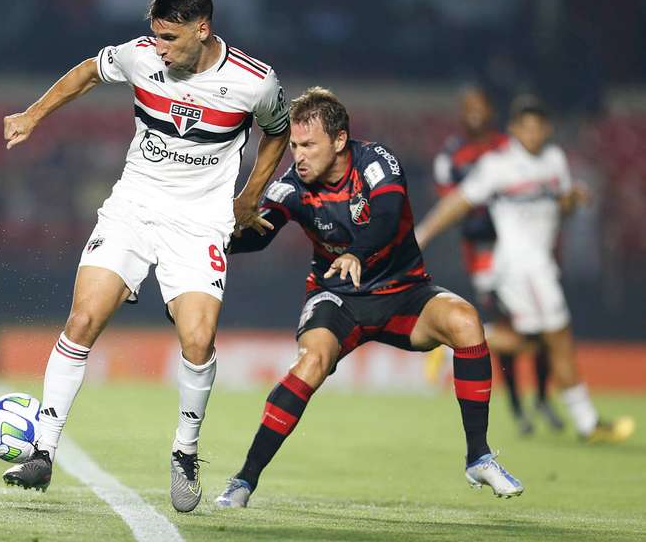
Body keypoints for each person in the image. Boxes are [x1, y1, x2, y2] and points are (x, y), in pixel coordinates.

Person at [0, 0, 291, 512]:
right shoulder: (139, 57)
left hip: (200, 222)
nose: (158, 47)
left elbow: (279, 129)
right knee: (83, 320)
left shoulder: (253, 81)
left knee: (198, 341)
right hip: (133, 208)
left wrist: (250, 196)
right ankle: (43, 451)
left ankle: (184, 451)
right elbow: (89, 71)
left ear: (202, 29)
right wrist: (32, 115)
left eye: (169, 38)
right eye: (155, 37)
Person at [214, 87, 522, 509]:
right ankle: (243, 481)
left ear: (339, 140)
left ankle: (478, 456)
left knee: (466, 320)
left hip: (404, 293)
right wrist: (217, 237)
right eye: (294, 146)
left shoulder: (378, 162)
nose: (297, 156)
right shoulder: (292, 186)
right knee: (312, 363)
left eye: (308, 145)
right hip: (337, 298)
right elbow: (259, 235)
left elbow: (387, 215)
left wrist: (358, 252)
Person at [415, 95, 634, 444]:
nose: (532, 133)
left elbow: (558, 207)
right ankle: (588, 424)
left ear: (546, 129)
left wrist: (572, 200)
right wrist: (423, 233)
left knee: (535, 343)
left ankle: (452, 345)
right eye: (525, 127)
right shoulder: (498, 166)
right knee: (559, 339)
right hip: (519, 266)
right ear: (514, 130)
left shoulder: (554, 161)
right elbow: (459, 202)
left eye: (538, 127)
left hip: (542, 263)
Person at [430, 86, 560, 435]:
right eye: (468, 107)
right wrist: (494, 206)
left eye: (480, 105)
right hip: (485, 255)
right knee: (513, 325)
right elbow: (454, 207)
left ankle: (544, 399)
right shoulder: (450, 157)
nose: (474, 112)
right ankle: (520, 408)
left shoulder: (508, 147)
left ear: (490, 109)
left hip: (526, 249)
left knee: (542, 325)